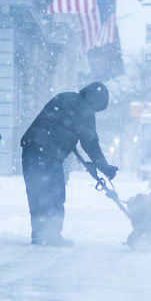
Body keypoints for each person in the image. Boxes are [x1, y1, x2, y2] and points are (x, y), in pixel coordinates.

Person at [20, 82, 118, 246]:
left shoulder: (64, 96)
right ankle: (52, 236)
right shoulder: (85, 110)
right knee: (55, 195)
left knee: (36, 193)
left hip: (30, 147)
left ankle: (39, 233)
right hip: (48, 155)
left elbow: (53, 123)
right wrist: (104, 167)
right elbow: (90, 143)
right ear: (95, 101)